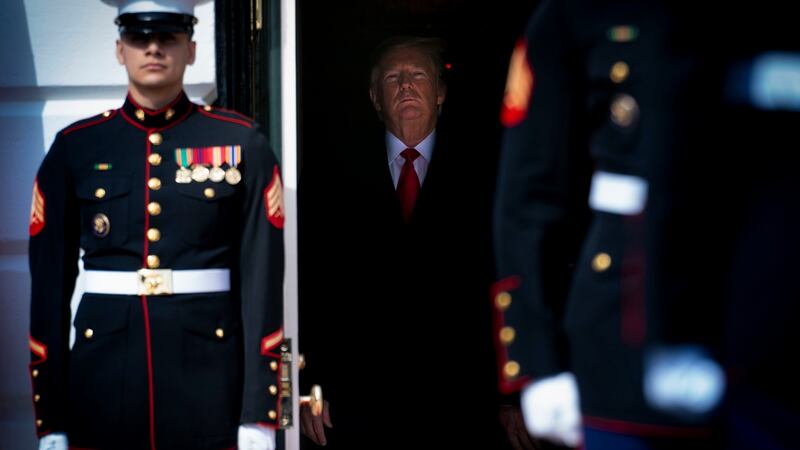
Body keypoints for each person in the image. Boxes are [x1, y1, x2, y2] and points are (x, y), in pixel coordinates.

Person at [27, 1, 285, 449]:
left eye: (168, 37)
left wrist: (258, 417)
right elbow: (48, 290)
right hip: (102, 389)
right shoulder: (77, 147)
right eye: (138, 37)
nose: (153, 48)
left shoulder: (241, 142)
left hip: (207, 389)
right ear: (118, 49)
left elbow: (262, 283)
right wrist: (51, 419)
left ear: (191, 49)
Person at [491, 0, 726, 448]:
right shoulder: (574, 14)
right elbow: (529, 198)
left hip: (763, 331)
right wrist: (537, 362)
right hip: (621, 337)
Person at [297, 35, 510, 448]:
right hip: (358, 404)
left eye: (418, 76)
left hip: (462, 403)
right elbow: (310, 283)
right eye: (393, 78)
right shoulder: (332, 173)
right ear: (376, 98)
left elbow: (506, 279)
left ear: (441, 92)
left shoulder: (486, 171)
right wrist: (308, 385)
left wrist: (511, 395)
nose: (407, 86)